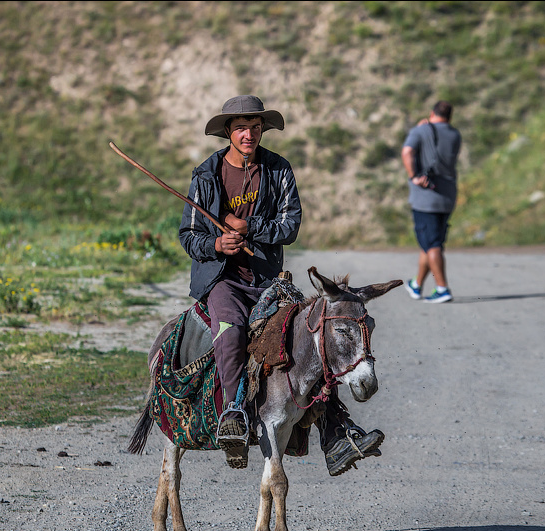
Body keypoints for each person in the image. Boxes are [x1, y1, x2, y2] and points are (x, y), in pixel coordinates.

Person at [179, 94, 383, 475]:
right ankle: (233, 414)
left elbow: (290, 226)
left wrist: (249, 227)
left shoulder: (278, 170)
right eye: (241, 127)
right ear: (228, 131)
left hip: (268, 280)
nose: (249, 134)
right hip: (224, 280)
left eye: (255, 128)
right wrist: (218, 244)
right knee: (232, 330)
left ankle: (335, 433)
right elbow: (189, 235)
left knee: (313, 333)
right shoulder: (205, 175)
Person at [401, 100, 462, 303]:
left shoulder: (420, 131)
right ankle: (416, 285)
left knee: (432, 244)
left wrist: (413, 176)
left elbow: (407, 152)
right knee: (430, 243)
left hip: (426, 199)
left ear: (432, 112)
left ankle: (442, 288)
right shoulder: (455, 135)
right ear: (450, 117)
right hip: (447, 196)